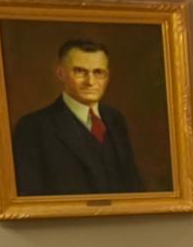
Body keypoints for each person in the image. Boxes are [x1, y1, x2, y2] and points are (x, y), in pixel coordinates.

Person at [10, 37, 143, 197]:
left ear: (107, 76)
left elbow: (134, 187)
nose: (90, 82)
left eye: (98, 72)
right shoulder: (33, 127)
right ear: (61, 74)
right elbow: (29, 196)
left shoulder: (115, 119)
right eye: (80, 71)